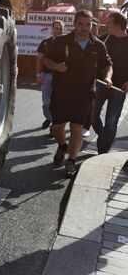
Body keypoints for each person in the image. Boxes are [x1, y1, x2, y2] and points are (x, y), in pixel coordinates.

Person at [44, 10, 112, 177]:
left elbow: (107, 65)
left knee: (77, 127)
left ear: (92, 25)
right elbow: (46, 60)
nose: (84, 28)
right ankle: (62, 146)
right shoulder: (62, 42)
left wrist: (108, 78)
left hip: (84, 93)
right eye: (80, 24)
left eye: (88, 24)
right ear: (74, 24)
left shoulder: (98, 45)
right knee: (57, 126)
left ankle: (71, 161)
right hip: (61, 92)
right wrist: (57, 67)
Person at [92, 12, 128, 154]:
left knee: (111, 121)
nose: (106, 25)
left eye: (109, 23)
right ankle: (103, 135)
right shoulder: (103, 39)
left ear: (118, 25)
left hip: (119, 88)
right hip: (100, 84)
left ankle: (103, 149)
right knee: (92, 116)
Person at [37, 20, 64, 134]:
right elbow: (39, 59)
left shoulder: (67, 44)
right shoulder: (45, 43)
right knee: (46, 102)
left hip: (62, 77)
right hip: (46, 75)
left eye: (60, 29)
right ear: (52, 29)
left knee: (58, 102)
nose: (58, 31)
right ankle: (49, 118)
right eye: (56, 28)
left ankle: (54, 126)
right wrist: (38, 74)